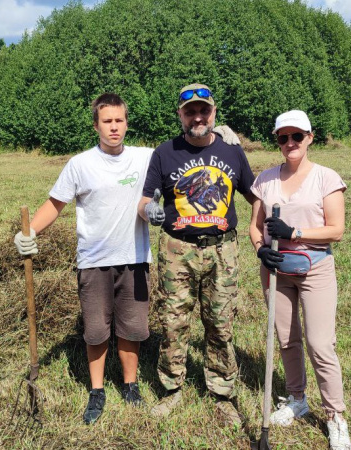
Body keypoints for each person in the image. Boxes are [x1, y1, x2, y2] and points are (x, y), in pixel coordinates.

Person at [14, 92, 241, 425]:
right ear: (96, 126)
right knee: (95, 330)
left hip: (135, 259)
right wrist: (29, 232)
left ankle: (130, 383)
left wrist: (218, 136)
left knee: (132, 328)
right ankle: (96, 390)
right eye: (107, 121)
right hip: (93, 260)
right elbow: (55, 204)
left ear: (126, 123)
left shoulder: (145, 157)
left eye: (119, 120)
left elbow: (183, 150)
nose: (114, 127)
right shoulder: (80, 164)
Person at [138, 83, 256, 426]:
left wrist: (264, 228)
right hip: (178, 249)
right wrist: (151, 211)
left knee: (220, 324)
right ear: (180, 115)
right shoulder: (164, 153)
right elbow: (146, 199)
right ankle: (172, 388)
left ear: (213, 113)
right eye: (190, 112)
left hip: (222, 250)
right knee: (173, 322)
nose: (197, 117)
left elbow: (254, 195)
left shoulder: (233, 152)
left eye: (204, 111)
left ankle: (221, 393)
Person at [248, 109, 351, 449]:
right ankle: (297, 399)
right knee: (286, 339)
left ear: (310, 137)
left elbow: (336, 230)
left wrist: (295, 231)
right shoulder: (265, 180)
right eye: (283, 137)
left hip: (315, 268)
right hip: (276, 270)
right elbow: (255, 225)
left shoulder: (326, 178)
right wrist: (260, 248)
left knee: (320, 344)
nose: (290, 143)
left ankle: (336, 416)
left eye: (297, 136)